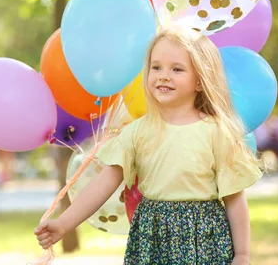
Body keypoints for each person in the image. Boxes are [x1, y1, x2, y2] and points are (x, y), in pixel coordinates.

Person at [34, 25, 263, 265]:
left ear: (199, 81)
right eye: (156, 67)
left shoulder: (217, 132)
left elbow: (235, 200)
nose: (164, 75)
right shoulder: (137, 132)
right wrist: (64, 223)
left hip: (203, 241)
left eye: (177, 69)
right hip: (153, 239)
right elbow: (103, 183)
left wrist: (243, 255)